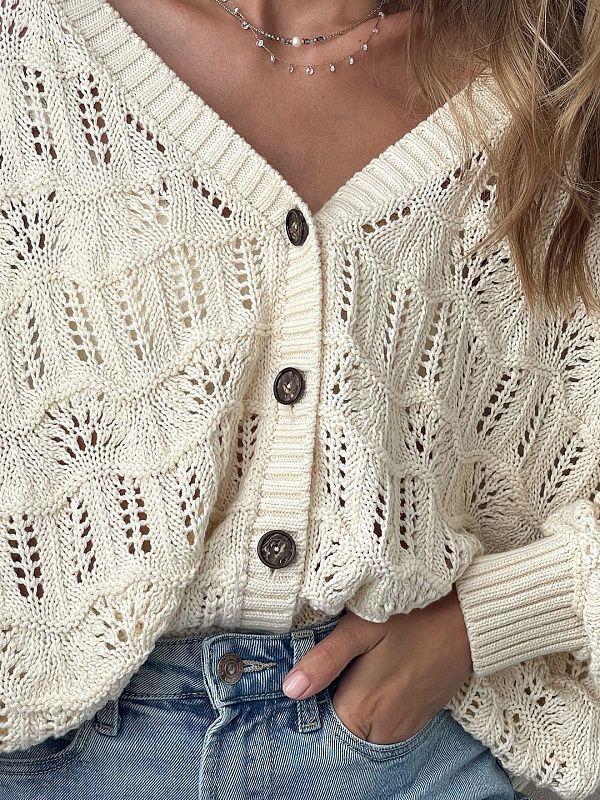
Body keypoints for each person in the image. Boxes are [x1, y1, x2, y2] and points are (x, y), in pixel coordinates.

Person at [0, 0, 598, 798]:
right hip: (50, 749)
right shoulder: (37, 49)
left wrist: (479, 623)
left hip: (400, 751)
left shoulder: (554, 95)